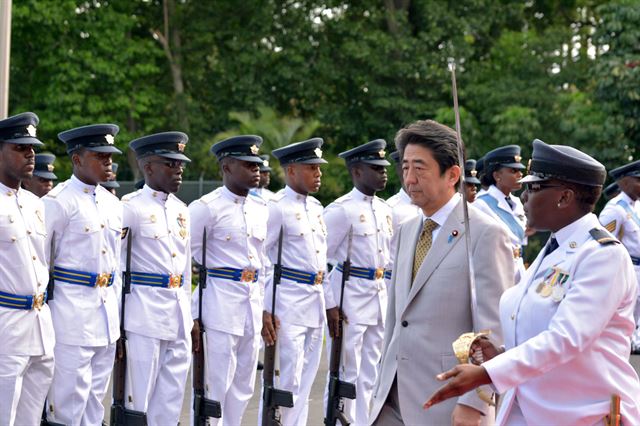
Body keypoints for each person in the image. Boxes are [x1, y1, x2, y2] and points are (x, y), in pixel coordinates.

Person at [424, 139, 640, 425]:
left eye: (533, 188)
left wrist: (489, 372)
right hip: (531, 410)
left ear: (564, 197)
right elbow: (536, 324)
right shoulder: (555, 248)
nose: (523, 196)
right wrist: (501, 352)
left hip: (581, 414)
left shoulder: (601, 256)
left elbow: (565, 338)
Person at [369, 120, 514, 426]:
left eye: (420, 168)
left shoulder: (486, 234)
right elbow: (398, 318)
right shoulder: (408, 230)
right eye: (405, 167)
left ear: (453, 174)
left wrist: (475, 402)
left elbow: (493, 330)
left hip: (447, 402)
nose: (409, 179)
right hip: (391, 400)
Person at [44, 124, 123, 425]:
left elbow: (114, 267)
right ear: (77, 160)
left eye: (110, 156)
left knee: (94, 405)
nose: (108, 162)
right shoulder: (57, 202)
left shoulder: (113, 204)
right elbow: (39, 261)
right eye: (100, 156)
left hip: (105, 319)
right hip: (71, 317)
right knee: (67, 404)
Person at [190, 135, 267, 425]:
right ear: (226, 167)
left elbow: (263, 263)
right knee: (216, 383)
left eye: (256, 164)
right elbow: (183, 258)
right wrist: (193, 310)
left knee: (244, 385)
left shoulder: (261, 209)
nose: (255, 169)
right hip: (220, 304)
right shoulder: (206, 208)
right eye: (248, 164)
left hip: (251, 304)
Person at [120, 132, 193, 424]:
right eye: (170, 164)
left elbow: (185, 272)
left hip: (177, 316)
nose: (178, 171)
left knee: (170, 401)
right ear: (148, 167)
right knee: (138, 402)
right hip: (144, 316)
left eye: (180, 165)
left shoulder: (181, 210)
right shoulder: (130, 207)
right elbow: (116, 264)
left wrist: (188, 316)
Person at [323, 139, 393, 425]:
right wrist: (330, 304)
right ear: (356, 172)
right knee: (345, 371)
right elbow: (318, 259)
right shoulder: (341, 210)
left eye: (384, 167)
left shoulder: (386, 209)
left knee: (372, 373)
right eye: (375, 168)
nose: (383, 173)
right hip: (349, 295)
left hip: (377, 296)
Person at [260, 138, 328, 425]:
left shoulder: (316, 207)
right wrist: (265, 307)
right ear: (291, 171)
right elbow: (262, 259)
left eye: (319, 167)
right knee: (286, 381)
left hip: (314, 301)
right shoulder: (276, 207)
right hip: (287, 303)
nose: (319, 173)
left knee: (306, 382)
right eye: (311, 167)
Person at [0, 112, 55, 425]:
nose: (30, 153)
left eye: (31, 147)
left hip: (39, 323)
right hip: (5, 325)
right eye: (20, 147)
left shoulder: (35, 204)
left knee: (31, 418)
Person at [599, 160, 640, 354]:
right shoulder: (615, 209)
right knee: (627, 312)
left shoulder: (636, 206)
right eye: (638, 180)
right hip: (629, 267)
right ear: (624, 183)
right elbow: (603, 243)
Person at [474, 145, 528, 281]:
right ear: (497, 175)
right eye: (513, 170)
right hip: (496, 270)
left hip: (518, 268)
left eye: (520, 170)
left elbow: (522, 239)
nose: (520, 174)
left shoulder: (516, 202)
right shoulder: (480, 204)